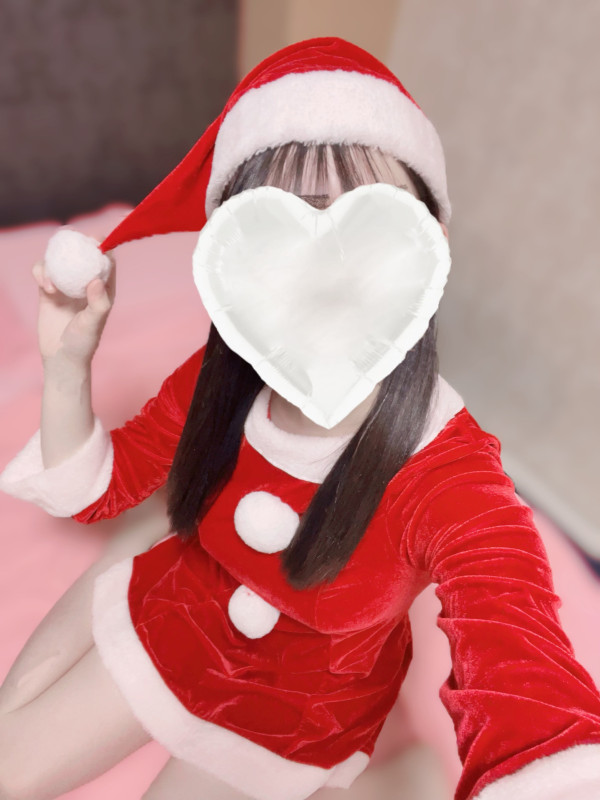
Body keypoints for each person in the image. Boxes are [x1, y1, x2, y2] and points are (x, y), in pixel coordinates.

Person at [1, 36, 600, 800]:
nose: (325, 268)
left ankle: (379, 776)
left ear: (431, 244)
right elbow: (101, 485)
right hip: (177, 611)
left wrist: (546, 767)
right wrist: (67, 366)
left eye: (365, 222)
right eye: (280, 225)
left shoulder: (448, 473)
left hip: (292, 715)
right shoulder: (219, 380)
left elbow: (513, 634)